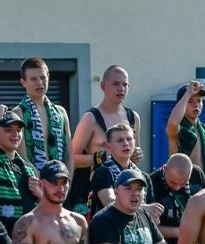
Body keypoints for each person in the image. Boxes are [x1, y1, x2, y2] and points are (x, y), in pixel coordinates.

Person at [8, 160, 96, 244]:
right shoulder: (28, 222)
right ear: (41, 185)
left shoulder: (79, 221)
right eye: (54, 183)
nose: (60, 188)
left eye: (64, 182)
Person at [70, 65, 141, 212]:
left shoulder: (133, 117)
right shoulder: (90, 118)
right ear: (103, 86)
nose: (121, 88)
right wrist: (103, 157)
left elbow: (134, 156)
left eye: (125, 84)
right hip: (96, 188)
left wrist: (137, 154)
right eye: (115, 84)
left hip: (126, 187)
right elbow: (71, 158)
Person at [0, 107, 39, 231]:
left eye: (19, 130)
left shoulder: (28, 168)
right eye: (8, 130)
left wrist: (40, 195)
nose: (15, 134)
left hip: (24, 240)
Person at [15, 57, 72, 172]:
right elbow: (21, 157)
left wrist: (67, 182)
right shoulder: (18, 113)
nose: (39, 83)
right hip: (31, 183)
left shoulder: (60, 112)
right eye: (33, 79)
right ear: (23, 82)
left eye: (42, 77)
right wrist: (42, 183)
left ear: (48, 77)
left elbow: (70, 154)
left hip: (60, 183)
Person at [167, 81, 205, 183]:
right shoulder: (179, 129)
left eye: (199, 101)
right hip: (181, 185)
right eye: (190, 101)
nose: (196, 105)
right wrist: (188, 93)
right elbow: (172, 123)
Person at [87, 122, 145, 213]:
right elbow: (111, 204)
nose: (125, 143)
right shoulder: (102, 172)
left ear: (134, 142)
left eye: (129, 139)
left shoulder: (142, 175)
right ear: (109, 147)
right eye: (120, 140)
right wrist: (144, 210)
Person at [148, 154, 205, 243]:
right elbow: (148, 228)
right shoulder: (151, 183)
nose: (177, 188)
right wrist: (181, 232)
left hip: (198, 240)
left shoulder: (197, 174)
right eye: (173, 182)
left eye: (183, 183)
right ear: (164, 169)